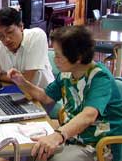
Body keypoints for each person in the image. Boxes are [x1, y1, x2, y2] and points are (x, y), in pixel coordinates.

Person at [8, 26, 122, 161]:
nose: (55, 60)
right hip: (72, 137)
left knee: (46, 155)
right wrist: (22, 82)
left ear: (78, 57)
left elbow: (89, 116)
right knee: (33, 151)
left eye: (58, 56)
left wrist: (57, 136)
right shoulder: (67, 74)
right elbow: (46, 97)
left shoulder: (100, 77)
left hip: (98, 145)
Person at [0, 7, 54, 90]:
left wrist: (0, 76)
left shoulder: (36, 36)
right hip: (17, 92)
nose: (6, 39)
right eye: (0, 36)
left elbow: (27, 79)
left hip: (44, 94)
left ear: (21, 26)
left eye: (10, 32)